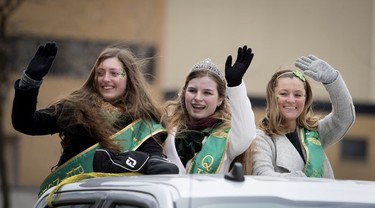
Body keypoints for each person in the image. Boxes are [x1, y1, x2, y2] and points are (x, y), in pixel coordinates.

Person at [12, 42, 178, 197]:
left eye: (114, 73)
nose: (105, 79)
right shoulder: (74, 108)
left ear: (129, 78)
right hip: (73, 200)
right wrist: (30, 81)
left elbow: (153, 157)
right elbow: (25, 123)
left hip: (119, 201)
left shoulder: (144, 120)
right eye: (100, 73)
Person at [249, 55, 355, 178]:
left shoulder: (315, 132)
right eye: (283, 94)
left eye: (298, 95)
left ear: (306, 99)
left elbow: (344, 118)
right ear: (272, 97)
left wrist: (333, 81)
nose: (291, 100)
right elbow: (262, 173)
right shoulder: (262, 138)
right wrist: (291, 181)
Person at [162, 45, 256, 174]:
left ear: (220, 99)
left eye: (207, 93)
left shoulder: (228, 138)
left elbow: (246, 134)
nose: (197, 98)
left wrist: (235, 85)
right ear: (184, 93)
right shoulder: (166, 128)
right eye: (192, 91)